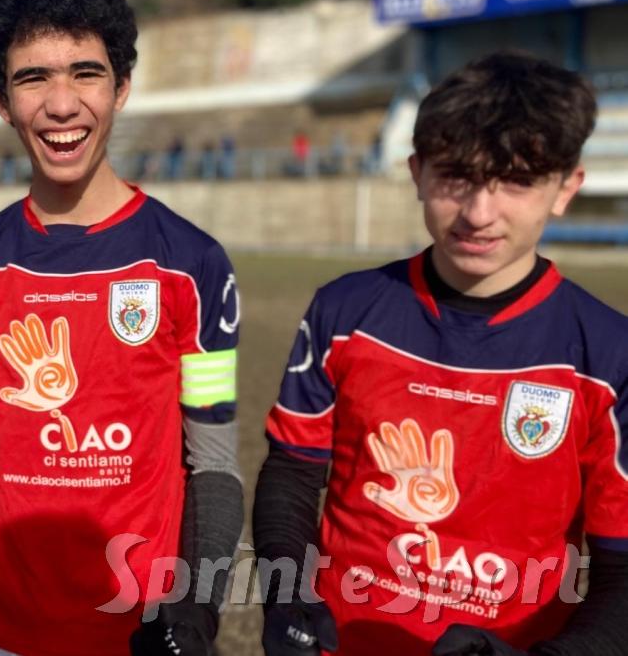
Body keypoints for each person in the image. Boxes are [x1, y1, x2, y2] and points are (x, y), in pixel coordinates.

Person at [253, 51, 628, 656]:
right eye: (456, 175)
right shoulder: (344, 313)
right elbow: (294, 477)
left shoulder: (609, 356)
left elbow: (622, 572)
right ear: (417, 172)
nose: (479, 213)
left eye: (517, 181)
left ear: (566, 190)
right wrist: (286, 594)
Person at [0, 0, 244, 655]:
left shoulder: (195, 265)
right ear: (1, 101)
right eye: (33, 78)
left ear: (120, 88)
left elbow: (213, 458)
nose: (61, 104)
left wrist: (196, 610)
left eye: (85, 73)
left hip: (138, 630)